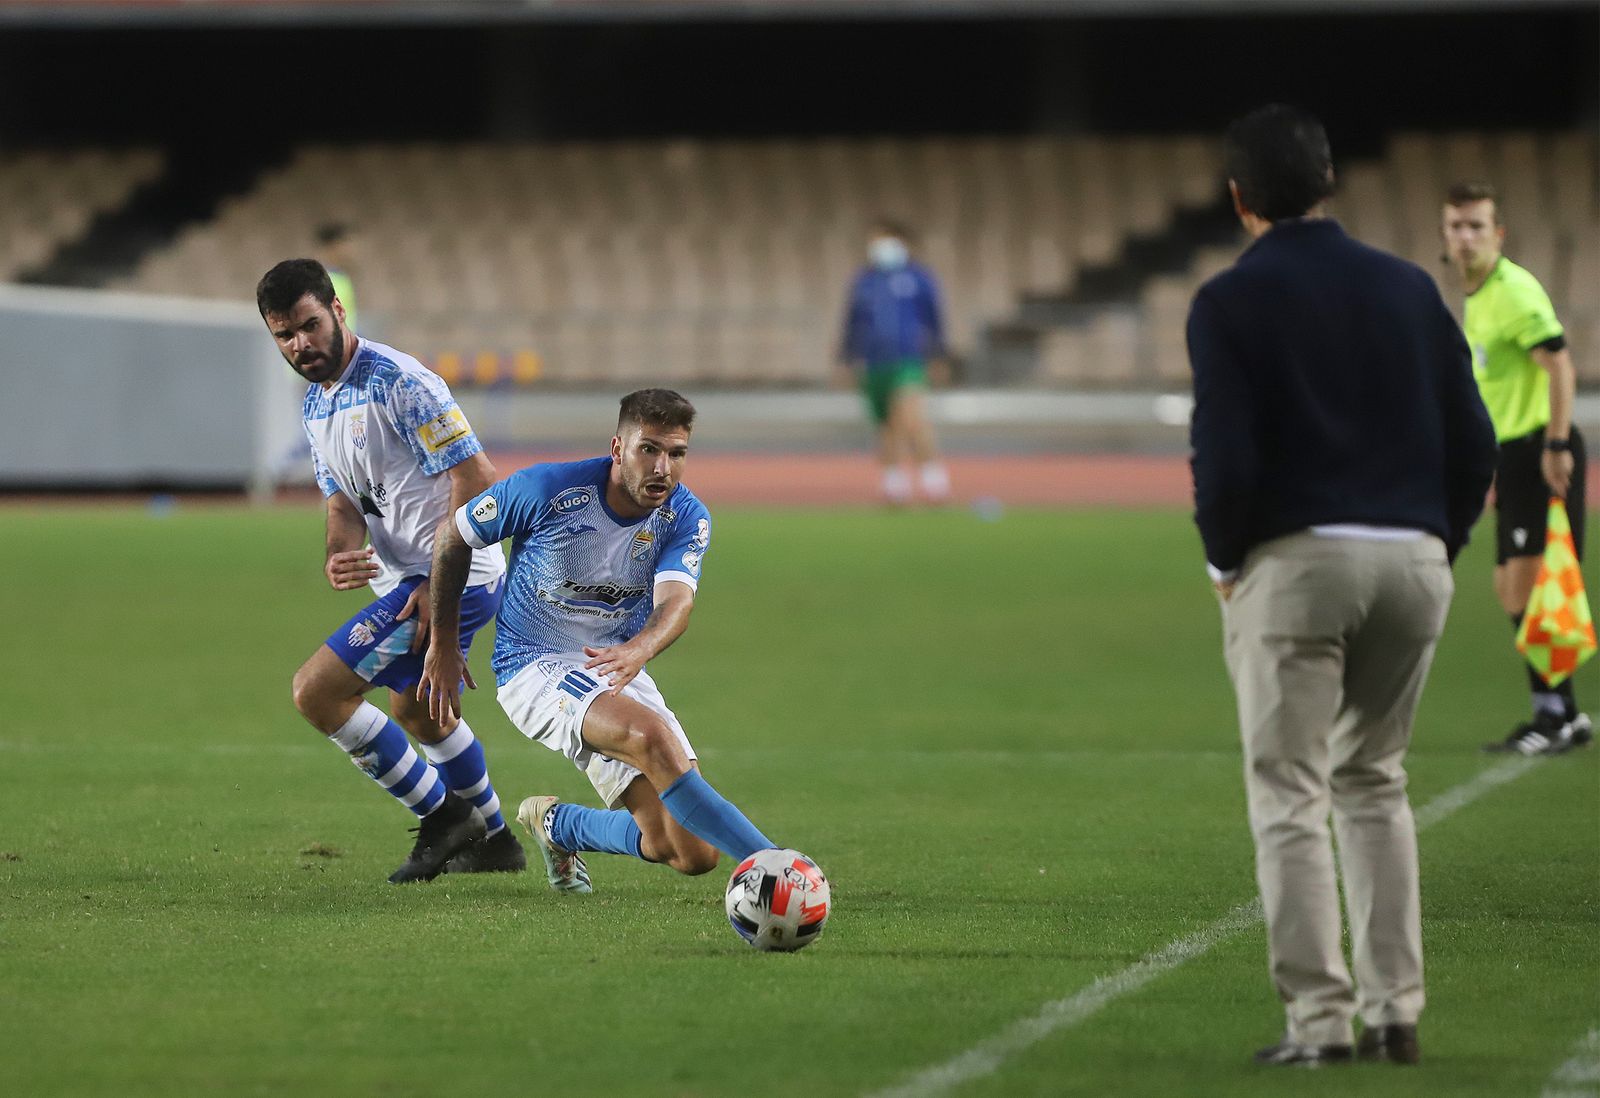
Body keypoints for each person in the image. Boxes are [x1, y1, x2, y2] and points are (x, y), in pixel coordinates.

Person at [1187, 106, 1498, 1067]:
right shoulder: (1411, 289)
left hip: (1299, 563)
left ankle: (1321, 1025)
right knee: (1376, 781)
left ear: (1240, 200)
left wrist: (1224, 562)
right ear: (1328, 184)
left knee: (1290, 793)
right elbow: (1476, 439)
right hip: (1413, 557)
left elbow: (1225, 457)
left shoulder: (1230, 302)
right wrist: (1435, 543)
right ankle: (1397, 1011)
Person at [418, 389, 776, 895]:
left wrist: (638, 651)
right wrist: (445, 641)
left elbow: (677, 603)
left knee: (690, 851)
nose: (663, 468)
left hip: (614, 665)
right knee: (649, 738)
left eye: (676, 454)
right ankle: (779, 864)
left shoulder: (685, 516)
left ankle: (558, 826)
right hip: (532, 665)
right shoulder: (546, 489)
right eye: (648, 449)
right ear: (617, 448)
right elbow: (453, 537)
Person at [256, 258, 525, 883]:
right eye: (284, 334)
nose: (300, 344)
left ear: (338, 312)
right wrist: (338, 550)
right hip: (411, 579)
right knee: (420, 712)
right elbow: (341, 499)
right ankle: (497, 842)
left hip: (456, 574)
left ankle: (443, 816)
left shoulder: (400, 382)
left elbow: (478, 478)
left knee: (317, 692)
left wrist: (439, 583)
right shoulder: (317, 402)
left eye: (309, 325)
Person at [1441, 182, 1592, 756]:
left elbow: (1560, 366)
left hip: (1537, 451)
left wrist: (1555, 446)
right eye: (1456, 226)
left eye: (1477, 226)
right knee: (1512, 591)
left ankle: (1555, 716)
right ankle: (1564, 713)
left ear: (1497, 234)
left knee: (1532, 587)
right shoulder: (1479, 297)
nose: (1466, 237)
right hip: (1512, 456)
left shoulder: (1513, 292)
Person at [837, 218, 952, 506]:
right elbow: (852, 324)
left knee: (912, 419)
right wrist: (847, 359)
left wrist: (938, 356)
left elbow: (934, 320)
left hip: (908, 360)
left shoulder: (918, 279)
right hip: (874, 363)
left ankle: (934, 483)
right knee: (885, 425)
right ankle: (894, 487)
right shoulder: (864, 282)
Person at [315, 223, 359, 332]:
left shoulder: (341, 277)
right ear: (334, 246)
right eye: (347, 242)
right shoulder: (319, 279)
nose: (352, 249)